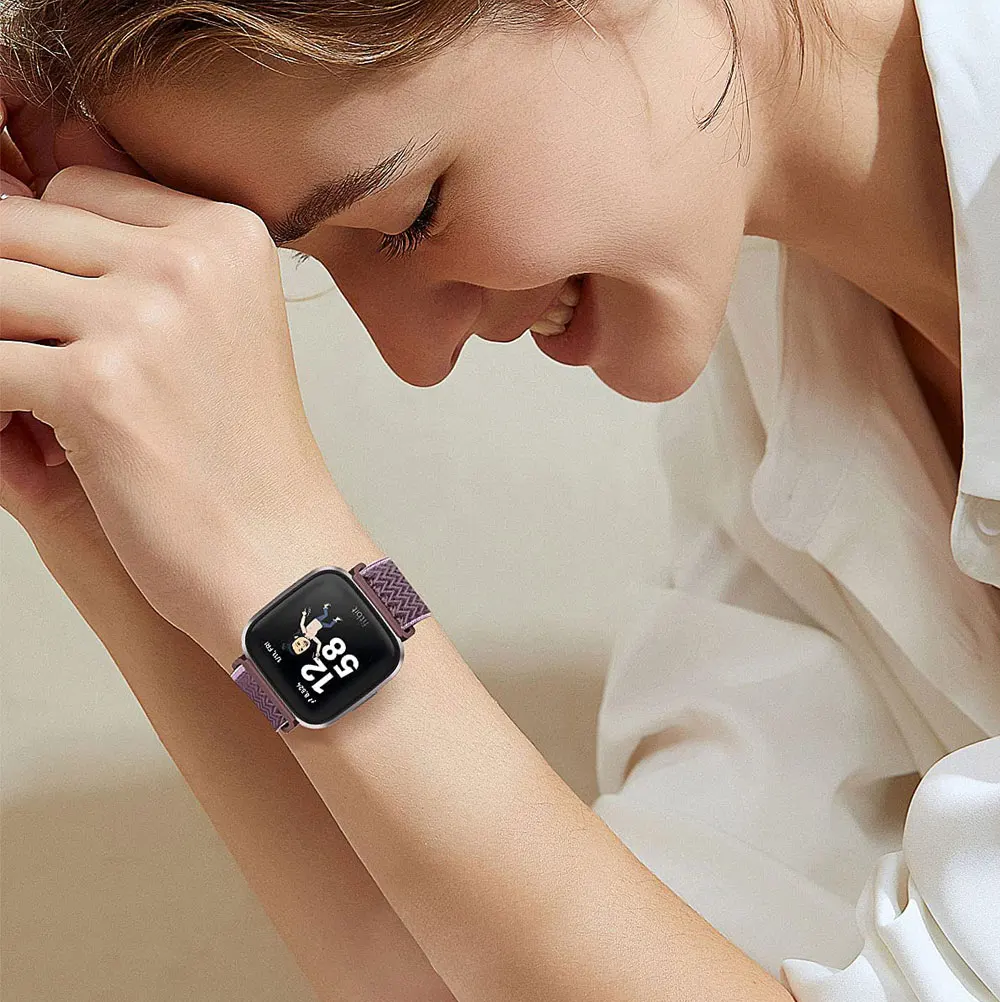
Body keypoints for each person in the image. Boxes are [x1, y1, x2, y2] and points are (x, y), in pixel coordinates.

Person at [0, 0, 996, 999]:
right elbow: (513, 971)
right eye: (315, 255)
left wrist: (291, 561)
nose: (416, 356)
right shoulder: (785, 359)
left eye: (412, 216)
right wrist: (95, 500)